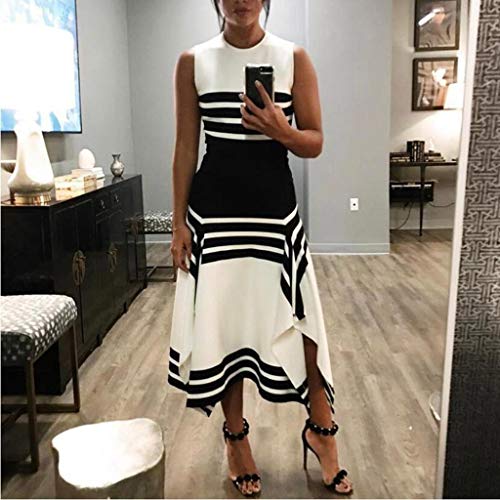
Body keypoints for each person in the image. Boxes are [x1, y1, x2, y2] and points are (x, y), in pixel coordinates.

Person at [167, 0, 353, 496]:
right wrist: (178, 223)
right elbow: (185, 147)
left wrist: (280, 130)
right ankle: (236, 438)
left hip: (274, 213)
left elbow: (315, 141)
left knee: (302, 321)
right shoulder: (193, 62)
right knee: (225, 326)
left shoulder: (294, 58)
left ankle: (322, 429)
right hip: (215, 215)